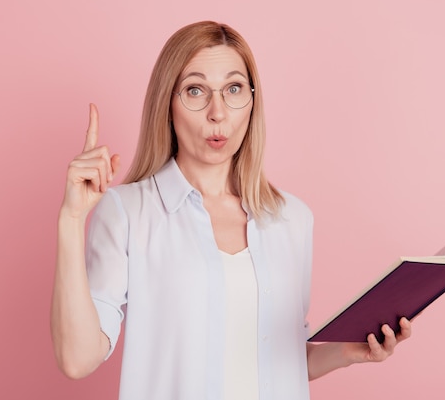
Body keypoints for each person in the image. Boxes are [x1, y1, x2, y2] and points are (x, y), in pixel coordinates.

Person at [50, 21, 411, 400]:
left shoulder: (292, 219)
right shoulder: (128, 212)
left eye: (234, 89)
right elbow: (77, 359)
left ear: (252, 101)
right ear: (167, 104)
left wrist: (348, 352)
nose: (217, 113)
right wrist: (71, 219)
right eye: (195, 91)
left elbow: (280, 356)